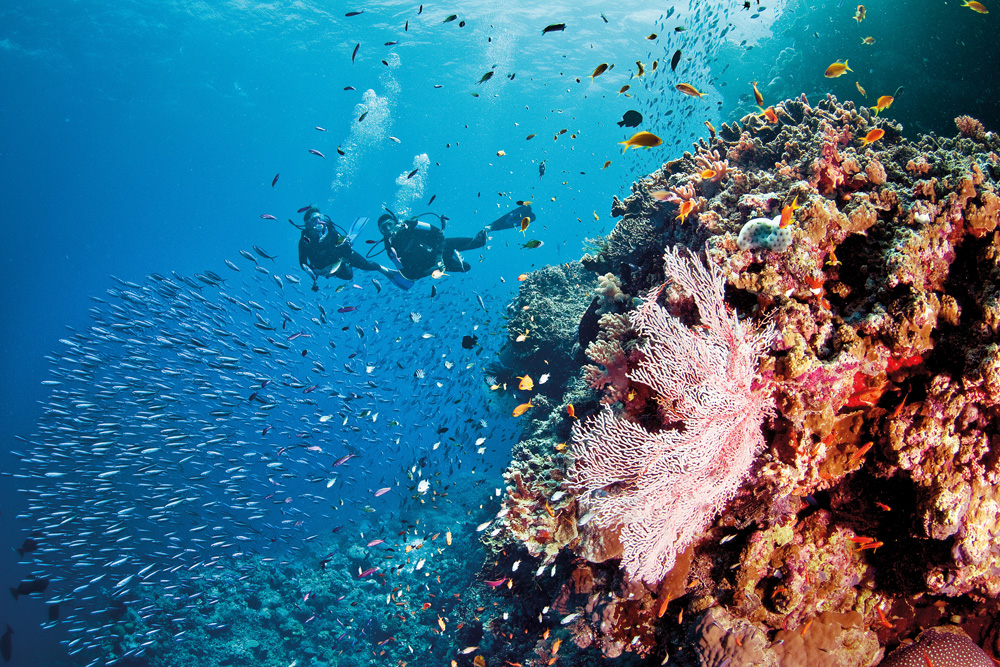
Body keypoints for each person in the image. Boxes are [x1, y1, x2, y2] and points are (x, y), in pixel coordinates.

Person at [375, 204, 535, 282]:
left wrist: (438, 256)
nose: (388, 229)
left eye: (389, 224)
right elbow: (408, 275)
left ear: (396, 222)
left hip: (442, 246)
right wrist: (429, 270)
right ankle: (454, 261)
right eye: (383, 228)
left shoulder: (411, 226)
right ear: (381, 232)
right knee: (465, 268)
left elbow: (438, 233)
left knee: (479, 242)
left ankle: (490, 227)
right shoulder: (390, 248)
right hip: (430, 266)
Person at [298, 206, 412, 291]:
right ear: (307, 225)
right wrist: (316, 271)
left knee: (367, 265)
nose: (319, 222)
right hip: (324, 266)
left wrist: (345, 245)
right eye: (314, 220)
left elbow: (344, 247)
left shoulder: (330, 230)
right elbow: (302, 262)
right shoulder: (304, 241)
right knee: (348, 276)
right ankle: (344, 266)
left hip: (341, 256)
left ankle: (384, 270)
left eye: (320, 218)